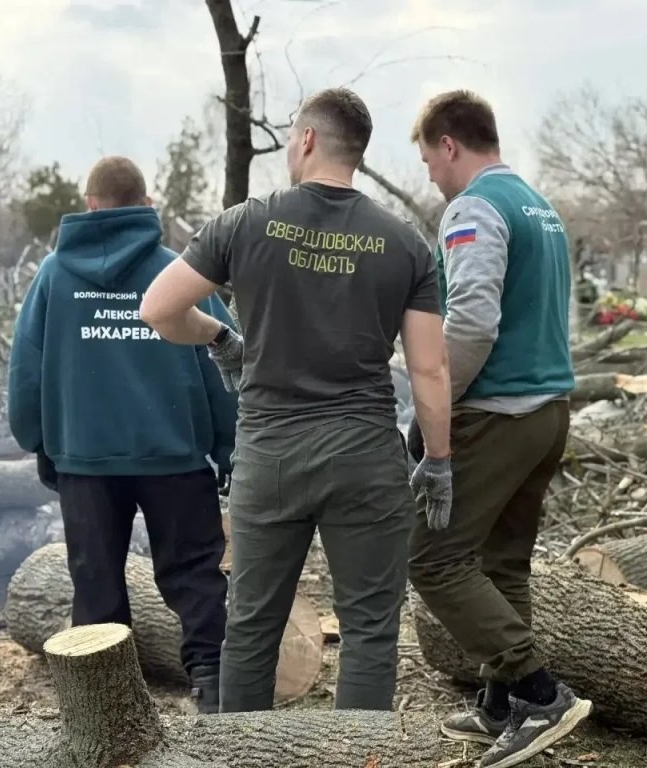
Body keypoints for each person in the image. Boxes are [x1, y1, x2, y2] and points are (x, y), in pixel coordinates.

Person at [138, 86, 452, 713]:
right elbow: (429, 367)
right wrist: (438, 461)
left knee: (251, 629)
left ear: (307, 139)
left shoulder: (245, 222)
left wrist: (220, 336)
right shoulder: (407, 242)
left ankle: (241, 759)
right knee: (370, 633)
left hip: (271, 455)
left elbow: (158, 309)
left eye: (291, 136)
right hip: (366, 456)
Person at [7, 156, 238, 715]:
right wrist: (228, 446)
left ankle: (104, 711)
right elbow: (222, 362)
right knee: (194, 576)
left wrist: (38, 441)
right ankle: (212, 686)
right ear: (147, 205)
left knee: (96, 583)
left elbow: (27, 369)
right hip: (175, 457)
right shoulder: (179, 271)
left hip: (86, 460)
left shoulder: (53, 276)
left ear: (89, 205)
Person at [406, 90, 593, 768]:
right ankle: (498, 703)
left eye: (429, 159)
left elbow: (473, 322)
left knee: (430, 558)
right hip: (548, 412)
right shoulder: (539, 207)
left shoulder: (475, 208)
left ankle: (537, 691)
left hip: (497, 412)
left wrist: (433, 414)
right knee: (501, 560)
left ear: (449, 145)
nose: (431, 173)